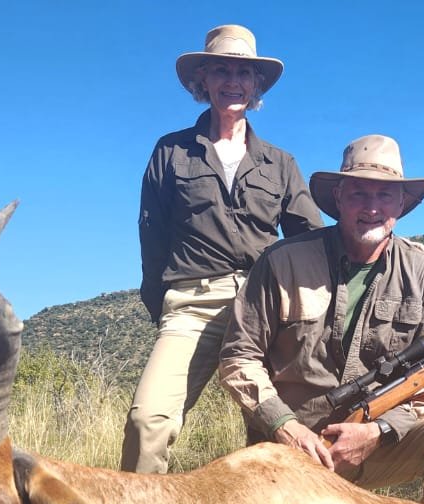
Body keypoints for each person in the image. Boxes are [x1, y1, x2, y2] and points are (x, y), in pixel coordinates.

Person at [219, 135, 424, 504]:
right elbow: (239, 356)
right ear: (339, 198)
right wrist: (285, 426)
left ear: (402, 204)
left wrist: (379, 432)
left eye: (385, 196)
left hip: (378, 446)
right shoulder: (282, 261)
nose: (372, 207)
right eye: (359, 193)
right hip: (290, 449)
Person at [122, 24, 321, 474]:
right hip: (193, 303)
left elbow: (309, 238)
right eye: (221, 71)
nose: (233, 81)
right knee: (147, 423)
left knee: (285, 431)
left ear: (256, 86)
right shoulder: (170, 152)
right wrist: (164, 303)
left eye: (243, 73)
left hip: (268, 308)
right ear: (203, 81)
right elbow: (151, 237)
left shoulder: (281, 163)